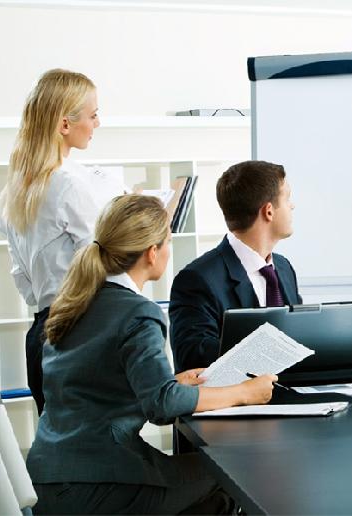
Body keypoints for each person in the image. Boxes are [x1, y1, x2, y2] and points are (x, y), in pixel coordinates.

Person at [26, 194, 276, 514]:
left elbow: (94, 385)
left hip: (49, 481)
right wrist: (244, 392)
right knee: (230, 471)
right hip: (99, 484)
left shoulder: (75, 303)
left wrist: (172, 382)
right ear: (152, 252)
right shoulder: (139, 313)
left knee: (209, 488)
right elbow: (163, 405)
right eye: (168, 242)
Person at [170, 160, 352, 373]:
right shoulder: (197, 279)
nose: (292, 206)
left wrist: (348, 343)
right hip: (240, 394)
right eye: (287, 198)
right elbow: (193, 356)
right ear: (269, 211)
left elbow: (298, 335)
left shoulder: (283, 267)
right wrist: (273, 350)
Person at [0, 69, 118, 413]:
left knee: (55, 439)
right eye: (93, 115)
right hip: (79, 331)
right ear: (65, 124)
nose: (97, 124)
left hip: (40, 333)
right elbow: (99, 267)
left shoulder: (15, 191)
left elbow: (24, 283)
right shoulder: (69, 185)